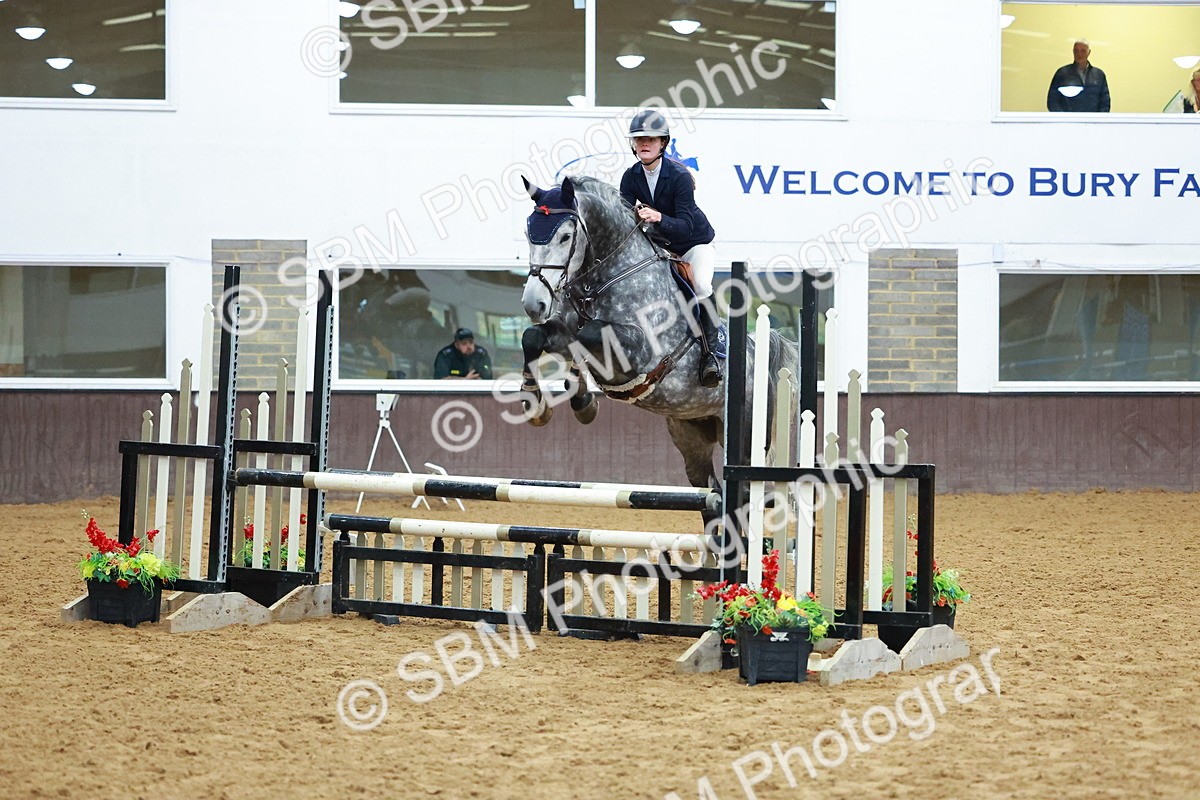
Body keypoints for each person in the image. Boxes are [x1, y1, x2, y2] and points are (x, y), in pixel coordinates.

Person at [618, 108, 722, 388]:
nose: (644, 144)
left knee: (700, 285)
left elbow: (686, 225)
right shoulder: (630, 178)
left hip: (693, 243)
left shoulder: (679, 176)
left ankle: (711, 355)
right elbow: (625, 216)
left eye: (651, 139)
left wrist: (657, 217)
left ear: (663, 143)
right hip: (661, 245)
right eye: (639, 139)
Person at [1047, 39, 1111, 112]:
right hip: (1067, 121)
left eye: (1083, 51)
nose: (1079, 54)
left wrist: (1098, 120)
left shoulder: (1099, 75)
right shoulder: (1062, 73)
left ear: (1089, 52)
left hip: (1092, 121)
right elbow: (1053, 101)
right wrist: (1064, 119)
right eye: (1076, 51)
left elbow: (1105, 103)